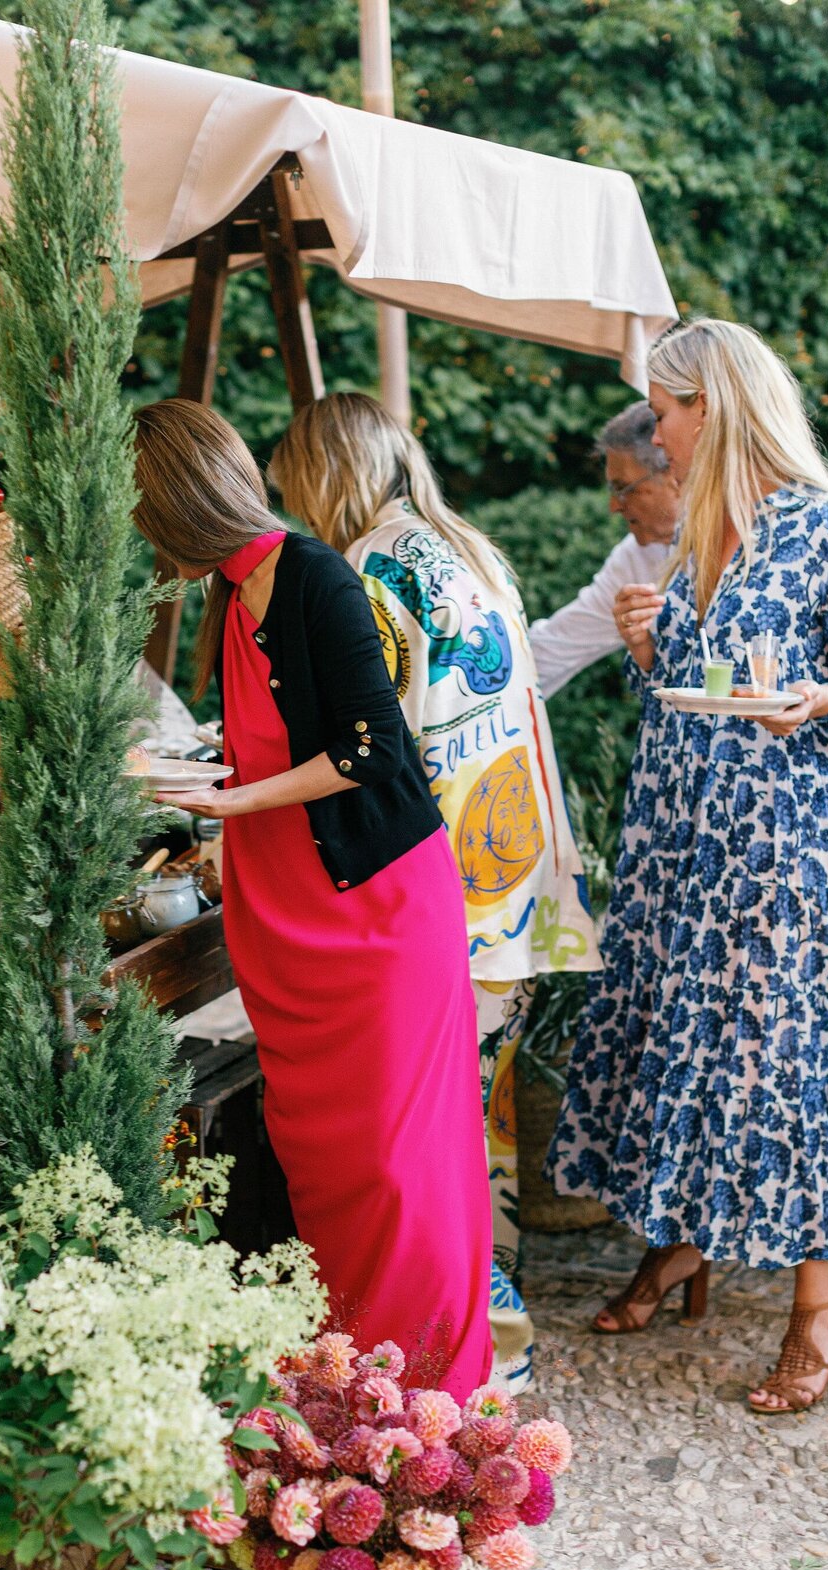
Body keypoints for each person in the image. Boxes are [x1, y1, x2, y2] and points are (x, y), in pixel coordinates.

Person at [544, 317, 828, 1414]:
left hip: (785, 856)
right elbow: (693, 696)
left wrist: (824, 700)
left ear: (716, 407)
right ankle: (689, 1243)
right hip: (681, 846)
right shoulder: (703, 531)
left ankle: (820, 1305)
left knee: (788, 1065)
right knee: (692, 1050)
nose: (655, 428)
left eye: (665, 408)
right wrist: (653, 652)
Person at [130, 397, 493, 1402]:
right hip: (291, 928)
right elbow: (278, 735)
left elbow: (374, 748)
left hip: (372, 918)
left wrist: (230, 795)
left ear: (176, 505)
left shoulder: (319, 577)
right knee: (326, 1167)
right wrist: (198, 766)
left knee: (393, 1170)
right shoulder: (229, 591)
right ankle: (347, 1388)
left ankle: (419, 1399)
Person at [269, 392, 600, 1392]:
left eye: (294, 484)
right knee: (482, 1118)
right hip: (524, 881)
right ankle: (499, 1334)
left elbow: (372, 747)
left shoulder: (369, 575)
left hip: (447, 896)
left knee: (439, 1136)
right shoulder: (470, 549)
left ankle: (483, 1347)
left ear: (326, 475)